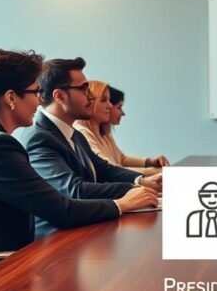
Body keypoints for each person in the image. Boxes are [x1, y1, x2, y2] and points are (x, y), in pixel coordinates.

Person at [0, 49, 157, 291]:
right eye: (35, 92)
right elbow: (61, 210)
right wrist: (122, 204)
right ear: (11, 98)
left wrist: (135, 187)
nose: (40, 101)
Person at [16, 58, 163, 237]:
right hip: (56, 238)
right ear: (60, 96)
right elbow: (74, 190)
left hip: (85, 226)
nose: (91, 97)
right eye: (84, 88)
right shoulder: (39, 138)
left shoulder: (74, 133)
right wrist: (131, 190)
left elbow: (104, 169)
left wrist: (142, 181)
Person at [74, 80, 169, 176]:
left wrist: (149, 162)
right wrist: (158, 172)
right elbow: (110, 169)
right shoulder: (82, 132)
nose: (110, 105)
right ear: (89, 102)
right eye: (103, 100)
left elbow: (121, 159)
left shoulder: (103, 131)